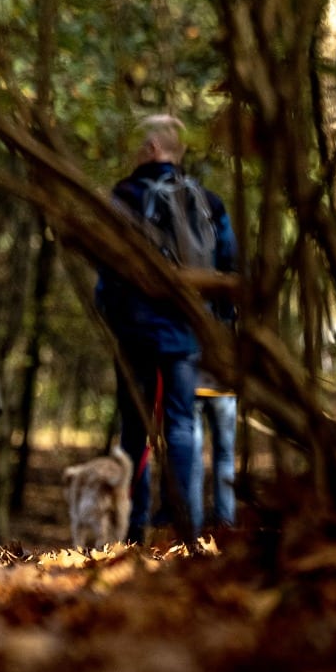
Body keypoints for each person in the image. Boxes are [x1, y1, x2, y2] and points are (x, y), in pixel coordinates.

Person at [95, 114, 236, 542]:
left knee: (135, 429)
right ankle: (186, 527)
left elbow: (107, 270)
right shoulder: (209, 203)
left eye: (140, 146)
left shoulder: (123, 197)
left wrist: (113, 317)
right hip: (187, 334)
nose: (135, 154)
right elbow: (228, 268)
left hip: (135, 332)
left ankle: (133, 530)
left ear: (153, 148)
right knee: (181, 426)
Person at [193, 369, 237, 530]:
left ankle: (193, 528)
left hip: (191, 385)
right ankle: (226, 523)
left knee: (193, 461)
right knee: (225, 457)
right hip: (224, 387)